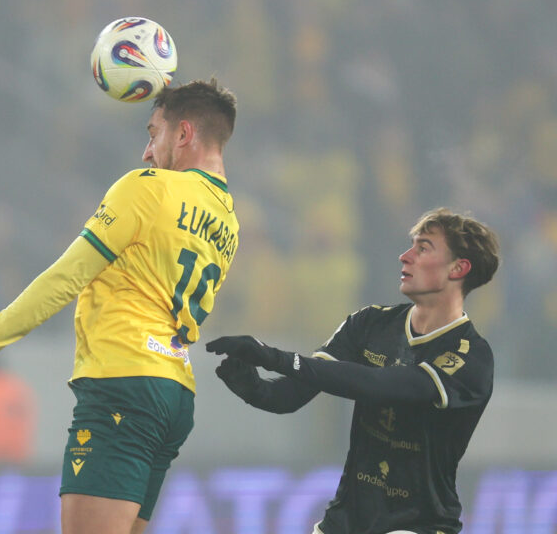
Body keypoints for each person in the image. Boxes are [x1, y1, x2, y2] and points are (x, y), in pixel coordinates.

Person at [0, 78, 239, 534]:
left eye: (153, 134)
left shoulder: (149, 189)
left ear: (183, 133)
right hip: (175, 391)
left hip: (124, 382)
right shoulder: (229, 221)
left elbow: (66, 277)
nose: (147, 152)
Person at [206, 207, 500, 534]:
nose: (405, 257)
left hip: (419, 525)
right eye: (411, 246)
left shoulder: (471, 355)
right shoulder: (369, 323)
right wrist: (254, 388)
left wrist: (277, 358)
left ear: (458, 268)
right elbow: (289, 396)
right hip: (344, 522)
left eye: (423, 248)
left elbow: (384, 385)